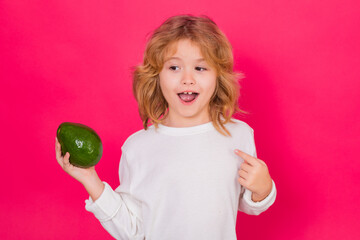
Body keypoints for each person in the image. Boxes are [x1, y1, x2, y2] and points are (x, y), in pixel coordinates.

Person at [55, 14, 277, 240]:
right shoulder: (137, 147)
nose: (187, 79)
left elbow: (249, 204)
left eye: (200, 68)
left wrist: (264, 188)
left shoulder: (238, 136)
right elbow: (133, 229)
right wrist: (90, 179)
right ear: (157, 76)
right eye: (174, 67)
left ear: (218, 76)